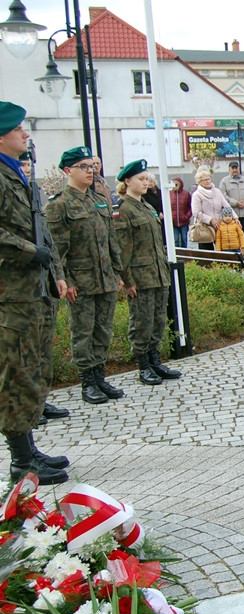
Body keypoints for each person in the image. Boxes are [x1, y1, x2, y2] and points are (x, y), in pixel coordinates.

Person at [0, 101, 71, 485]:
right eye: (18, 130)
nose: (26, 135)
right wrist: (31, 253)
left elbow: (39, 230)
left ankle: (29, 449)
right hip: (11, 293)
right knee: (16, 373)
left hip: (34, 289)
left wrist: (55, 272)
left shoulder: (18, 175)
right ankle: (20, 461)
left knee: (33, 372)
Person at [47, 146, 124, 405]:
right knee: (83, 331)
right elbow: (58, 249)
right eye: (83, 167)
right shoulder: (59, 205)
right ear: (68, 170)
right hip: (81, 281)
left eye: (92, 166)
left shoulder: (97, 200)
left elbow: (111, 240)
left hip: (105, 278)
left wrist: (117, 272)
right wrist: (65, 280)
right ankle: (87, 382)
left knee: (103, 330)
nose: (90, 171)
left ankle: (99, 376)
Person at [113, 161, 182, 386]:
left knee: (157, 320)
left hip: (157, 273)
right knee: (141, 322)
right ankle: (143, 365)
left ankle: (155, 361)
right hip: (140, 278)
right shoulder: (123, 210)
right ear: (127, 181)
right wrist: (128, 280)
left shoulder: (147, 206)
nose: (146, 183)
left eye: (146, 179)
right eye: (141, 179)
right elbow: (123, 250)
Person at [191, 168, 235, 251]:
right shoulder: (196, 195)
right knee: (207, 252)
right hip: (205, 228)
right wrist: (210, 220)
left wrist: (235, 217)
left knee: (223, 250)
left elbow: (226, 205)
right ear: (199, 182)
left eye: (209, 179)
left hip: (219, 225)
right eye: (205, 180)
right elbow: (196, 213)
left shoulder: (217, 191)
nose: (208, 181)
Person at [219, 160, 244, 257]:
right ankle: (235, 252)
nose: (235, 170)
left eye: (236, 168)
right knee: (234, 233)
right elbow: (223, 195)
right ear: (229, 169)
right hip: (231, 213)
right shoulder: (224, 181)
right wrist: (235, 203)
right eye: (233, 168)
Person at [169, 177, 192, 248]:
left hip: (183, 222)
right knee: (175, 240)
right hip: (173, 222)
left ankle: (184, 256)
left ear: (180, 185)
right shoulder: (169, 194)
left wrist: (186, 216)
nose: (175, 186)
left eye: (176, 184)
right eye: (173, 184)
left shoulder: (186, 194)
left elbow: (190, 207)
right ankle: (176, 256)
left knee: (184, 239)